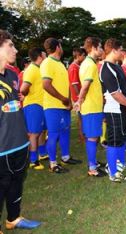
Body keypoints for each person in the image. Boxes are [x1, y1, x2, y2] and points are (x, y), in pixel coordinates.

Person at [0, 29, 41, 232]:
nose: (15, 50)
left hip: (20, 142)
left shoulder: (12, 75)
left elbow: (13, 103)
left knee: (17, 182)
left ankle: (13, 218)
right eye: (10, 45)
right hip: (2, 147)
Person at [100, 38, 126, 182]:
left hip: (123, 109)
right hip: (113, 110)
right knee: (114, 141)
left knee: (122, 139)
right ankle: (112, 171)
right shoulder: (106, 68)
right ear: (114, 50)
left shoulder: (116, 66)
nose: (122, 53)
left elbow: (124, 88)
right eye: (121, 50)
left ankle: (121, 164)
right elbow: (115, 94)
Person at [41, 38, 82, 173]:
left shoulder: (60, 64)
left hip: (63, 105)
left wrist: (68, 101)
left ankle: (65, 157)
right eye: (61, 45)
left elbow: (65, 85)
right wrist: (63, 99)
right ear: (58, 47)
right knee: (53, 134)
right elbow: (46, 84)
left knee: (65, 130)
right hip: (53, 106)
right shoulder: (47, 63)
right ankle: (53, 164)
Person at [74, 37, 106, 177]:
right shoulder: (89, 64)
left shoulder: (90, 63)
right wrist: (79, 100)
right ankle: (92, 168)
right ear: (93, 48)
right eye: (100, 47)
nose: (102, 50)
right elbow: (85, 86)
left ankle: (94, 162)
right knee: (92, 138)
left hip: (94, 106)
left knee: (94, 137)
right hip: (91, 107)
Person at [20, 48, 47, 170]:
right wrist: (23, 95)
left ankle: (42, 154)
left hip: (41, 105)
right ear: (40, 56)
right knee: (34, 133)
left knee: (41, 131)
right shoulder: (31, 69)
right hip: (33, 105)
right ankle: (33, 160)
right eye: (45, 54)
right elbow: (24, 87)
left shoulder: (39, 68)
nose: (46, 56)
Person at [68, 47, 86, 143]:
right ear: (78, 56)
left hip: (80, 96)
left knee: (82, 117)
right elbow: (74, 84)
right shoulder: (73, 67)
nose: (84, 57)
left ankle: (83, 135)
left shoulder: (78, 66)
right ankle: (81, 137)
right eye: (83, 56)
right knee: (81, 118)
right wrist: (80, 97)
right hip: (78, 97)